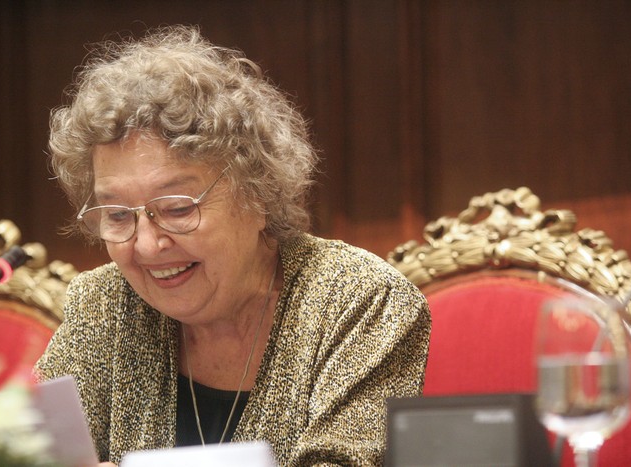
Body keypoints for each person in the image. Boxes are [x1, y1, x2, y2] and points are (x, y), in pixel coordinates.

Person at [35, 25, 431, 466]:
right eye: (119, 216)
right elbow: (31, 456)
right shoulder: (104, 303)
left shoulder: (358, 302)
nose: (146, 245)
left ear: (256, 193)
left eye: (178, 208)